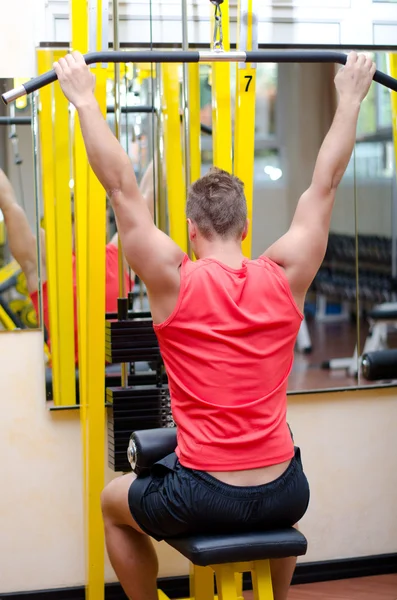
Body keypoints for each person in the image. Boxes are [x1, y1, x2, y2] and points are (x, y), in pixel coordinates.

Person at [54, 51, 376, 600]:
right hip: (285, 491)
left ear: (191, 229)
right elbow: (325, 183)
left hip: (202, 495)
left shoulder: (174, 281)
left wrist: (85, 98)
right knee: (282, 522)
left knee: (113, 504)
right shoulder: (284, 274)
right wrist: (349, 100)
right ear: (247, 228)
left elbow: (122, 189)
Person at [0, 161, 155, 363]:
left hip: (119, 377)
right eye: (75, 220)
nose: (81, 227)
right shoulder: (48, 267)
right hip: (69, 379)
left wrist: (170, 137)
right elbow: (8, 205)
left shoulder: (116, 256)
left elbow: (147, 197)